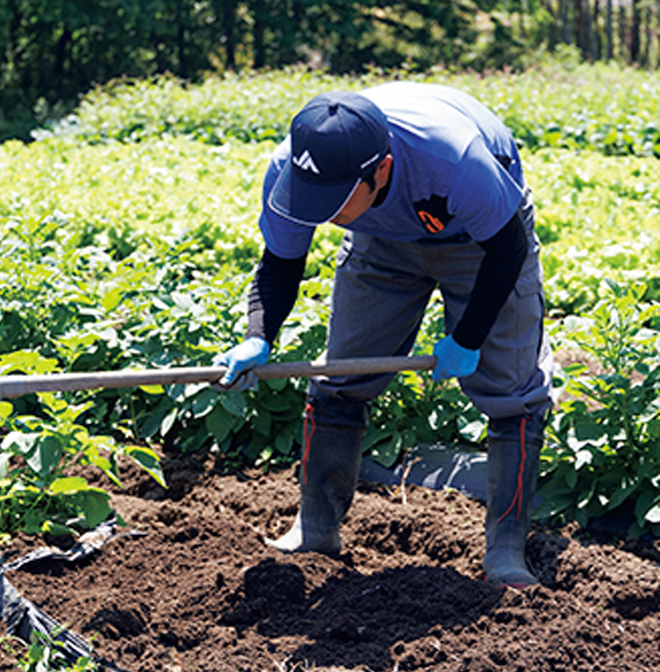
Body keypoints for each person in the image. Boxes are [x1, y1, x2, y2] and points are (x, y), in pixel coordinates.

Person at [215, 82, 553, 588]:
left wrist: (468, 337)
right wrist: (259, 333)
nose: (324, 213)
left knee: (511, 392)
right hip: (381, 241)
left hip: (479, 241)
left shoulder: (454, 159)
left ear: (382, 169)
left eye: (335, 199)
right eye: (315, 199)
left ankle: (506, 549)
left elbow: (508, 251)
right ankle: (316, 527)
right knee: (340, 378)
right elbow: (281, 262)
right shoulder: (292, 169)